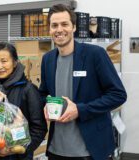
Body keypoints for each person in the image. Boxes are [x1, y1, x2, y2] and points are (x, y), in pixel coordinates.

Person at [39, 4, 127, 160]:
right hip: (56, 149)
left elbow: (118, 94)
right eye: (54, 25)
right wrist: (45, 104)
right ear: (49, 29)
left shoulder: (95, 55)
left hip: (89, 151)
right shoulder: (48, 59)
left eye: (64, 24)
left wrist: (80, 110)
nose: (59, 29)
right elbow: (44, 93)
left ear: (73, 27)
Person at [0, 42, 47, 160]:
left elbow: (39, 129)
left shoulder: (28, 89)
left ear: (14, 63)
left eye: (4, 61)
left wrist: (20, 149)